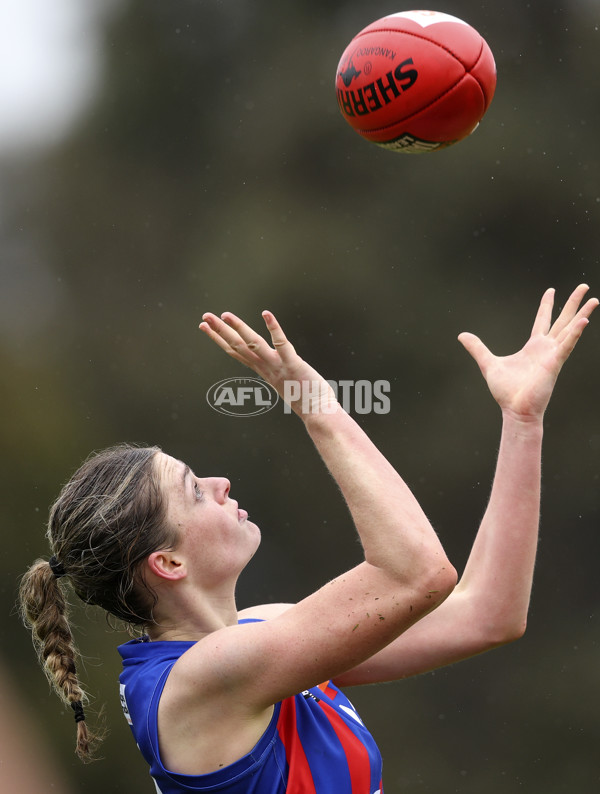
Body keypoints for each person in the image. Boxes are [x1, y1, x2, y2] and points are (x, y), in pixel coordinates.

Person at [19, 285, 597, 793]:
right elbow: (417, 573)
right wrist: (313, 403)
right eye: (195, 491)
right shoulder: (202, 680)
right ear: (167, 561)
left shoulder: (259, 635)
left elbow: (487, 615)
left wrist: (522, 422)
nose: (220, 484)